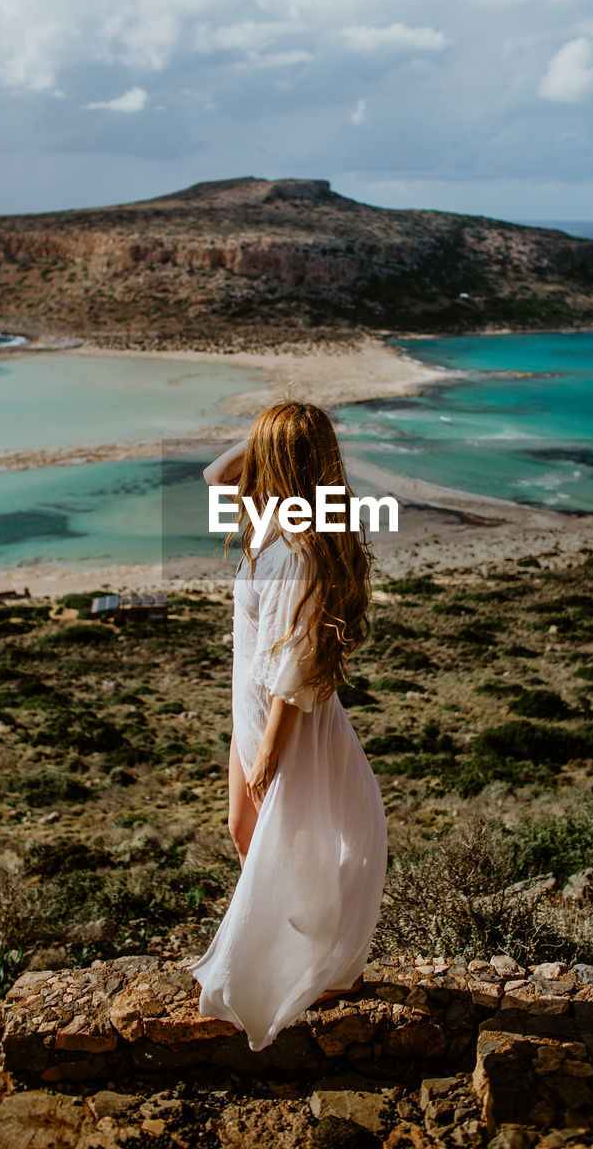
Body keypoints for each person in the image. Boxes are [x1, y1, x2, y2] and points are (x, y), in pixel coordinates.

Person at [188, 400, 388, 1052]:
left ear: (284, 464)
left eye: (267, 453)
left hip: (285, 716)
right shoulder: (278, 519)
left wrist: (269, 749)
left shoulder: (296, 541)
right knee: (245, 830)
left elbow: (296, 656)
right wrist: (275, 436)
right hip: (250, 706)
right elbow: (215, 476)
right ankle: (302, 959)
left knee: (290, 846)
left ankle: (318, 969)